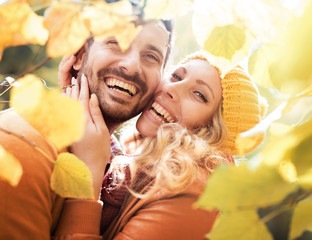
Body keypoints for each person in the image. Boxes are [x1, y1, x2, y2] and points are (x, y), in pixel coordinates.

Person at [53, 53, 267, 239]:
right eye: (176, 76)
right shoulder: (140, 169)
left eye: (199, 94)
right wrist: (81, 90)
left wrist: (89, 170)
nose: (172, 89)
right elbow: (103, 151)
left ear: (213, 132)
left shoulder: (192, 197)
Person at [0, 19, 173, 240]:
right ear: (80, 56)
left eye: (151, 56)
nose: (132, 65)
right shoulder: (23, 145)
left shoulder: (111, 163)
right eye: (116, 43)